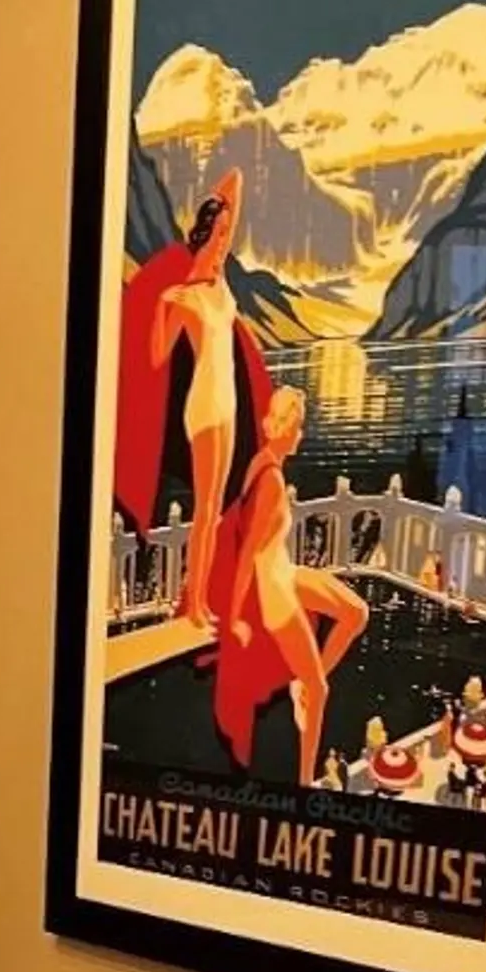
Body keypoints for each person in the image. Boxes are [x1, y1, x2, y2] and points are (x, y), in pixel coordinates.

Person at [114, 172, 275, 627]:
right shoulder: (181, 297)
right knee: (205, 509)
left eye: (228, 233)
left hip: (227, 404)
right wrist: (157, 308)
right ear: (204, 235)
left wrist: (221, 207)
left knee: (219, 506)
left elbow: (235, 183)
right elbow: (155, 357)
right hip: (202, 406)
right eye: (219, 233)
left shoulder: (220, 288)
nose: (226, 241)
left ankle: (196, 597)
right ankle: (192, 601)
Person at [211, 383, 370, 782]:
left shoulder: (265, 465)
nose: (301, 434)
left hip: (286, 572)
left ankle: (303, 683)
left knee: (356, 613)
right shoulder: (270, 482)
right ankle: (304, 783)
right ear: (280, 427)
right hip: (275, 592)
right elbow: (247, 552)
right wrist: (233, 618)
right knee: (321, 692)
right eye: (298, 426)